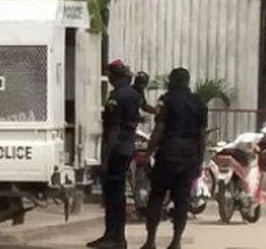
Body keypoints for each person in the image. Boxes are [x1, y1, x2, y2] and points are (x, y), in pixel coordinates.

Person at [140, 68, 208, 249]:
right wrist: (200, 160)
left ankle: (150, 240)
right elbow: (202, 135)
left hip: (168, 154)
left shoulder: (166, 100)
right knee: (182, 200)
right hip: (189, 156)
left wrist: (148, 153)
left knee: (156, 197)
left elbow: (159, 128)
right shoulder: (199, 102)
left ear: (174, 81)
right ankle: (176, 240)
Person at [88, 60, 141, 249]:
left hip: (117, 150)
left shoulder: (117, 96)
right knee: (118, 195)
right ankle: (116, 236)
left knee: (113, 196)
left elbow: (114, 130)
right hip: (127, 147)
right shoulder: (133, 94)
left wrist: (105, 158)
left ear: (113, 75)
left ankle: (114, 237)